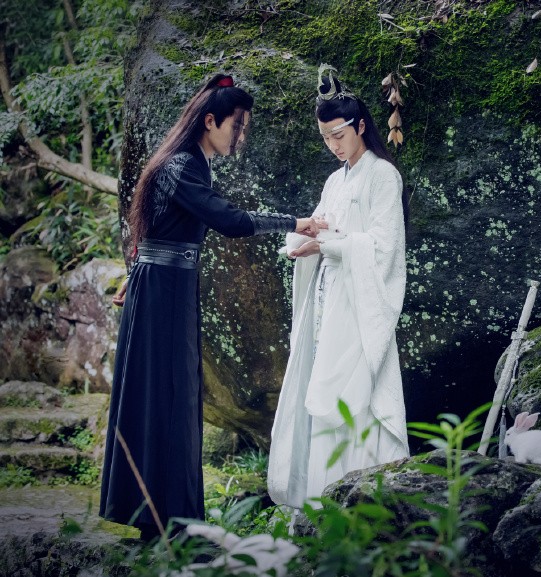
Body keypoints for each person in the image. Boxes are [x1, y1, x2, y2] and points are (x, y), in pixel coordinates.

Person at [100, 73, 323, 541]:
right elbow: (231, 221)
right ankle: (168, 523)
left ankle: (164, 521)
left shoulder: (189, 163)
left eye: (244, 128)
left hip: (166, 287)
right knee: (167, 397)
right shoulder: (183, 165)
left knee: (172, 396)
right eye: (235, 126)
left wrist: (135, 272)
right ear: (209, 121)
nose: (239, 136)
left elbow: (154, 227)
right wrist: (297, 222)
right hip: (163, 291)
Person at [267, 65, 409, 511]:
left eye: (339, 135)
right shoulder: (335, 181)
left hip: (361, 303)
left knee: (355, 394)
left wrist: (329, 243)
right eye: (326, 137)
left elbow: (384, 246)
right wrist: (305, 242)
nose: (333, 145)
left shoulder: (383, 176)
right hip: (330, 298)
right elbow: (320, 225)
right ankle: (320, 499)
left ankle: (363, 502)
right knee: (322, 392)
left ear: (361, 126)